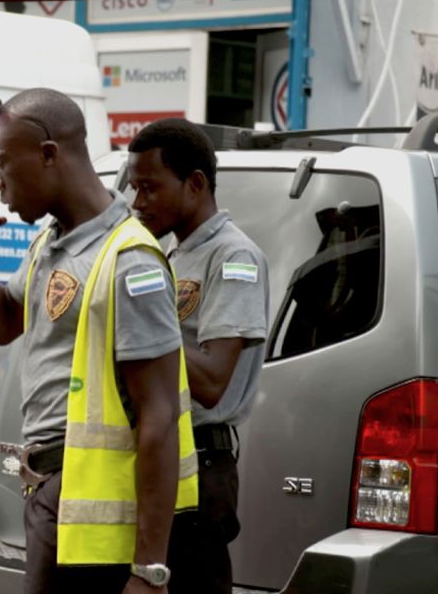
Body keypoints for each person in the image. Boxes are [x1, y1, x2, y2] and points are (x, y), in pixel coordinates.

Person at [0, 89, 198, 593]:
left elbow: (160, 418)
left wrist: (149, 568)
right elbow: (1, 324)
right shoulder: (48, 243)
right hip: (52, 498)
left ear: (49, 154)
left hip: (97, 523)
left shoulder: (131, 260)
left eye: (1, 165)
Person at [127, 118, 270, 594]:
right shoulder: (169, 253)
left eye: (149, 188)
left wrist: (140, 328)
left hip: (201, 465)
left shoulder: (234, 258)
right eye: (133, 189)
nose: (137, 203)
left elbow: (211, 382)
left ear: (195, 184)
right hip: (165, 455)